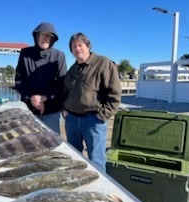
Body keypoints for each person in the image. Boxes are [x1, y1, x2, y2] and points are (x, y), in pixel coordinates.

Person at [62, 32, 121, 172]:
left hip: (93, 120)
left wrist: (102, 116)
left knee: (96, 160)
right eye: (73, 47)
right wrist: (64, 109)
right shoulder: (72, 69)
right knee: (74, 159)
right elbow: (65, 92)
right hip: (72, 120)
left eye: (80, 45)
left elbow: (115, 95)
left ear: (88, 46)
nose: (77, 49)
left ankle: (99, 191)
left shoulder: (103, 63)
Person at [14, 22, 67, 134]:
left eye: (49, 36)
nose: (45, 38)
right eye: (43, 35)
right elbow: (19, 81)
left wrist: (44, 97)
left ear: (53, 39)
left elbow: (61, 83)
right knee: (28, 142)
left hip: (51, 110)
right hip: (28, 109)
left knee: (52, 142)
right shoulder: (25, 53)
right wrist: (31, 97)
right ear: (37, 36)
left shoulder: (59, 56)